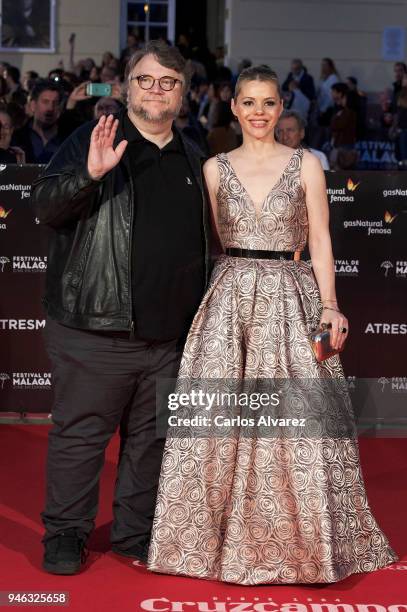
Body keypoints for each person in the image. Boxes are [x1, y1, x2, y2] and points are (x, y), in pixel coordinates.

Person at [147, 65, 397, 584]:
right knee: (218, 422)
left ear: (281, 108)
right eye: (248, 102)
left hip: (292, 295)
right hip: (230, 298)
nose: (258, 112)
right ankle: (203, 544)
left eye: (268, 102)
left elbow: (322, 240)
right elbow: (213, 239)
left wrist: (330, 304)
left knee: (298, 421)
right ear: (234, 108)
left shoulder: (306, 164)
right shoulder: (215, 168)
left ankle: (303, 545)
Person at [30, 39, 211, 576]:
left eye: (169, 82)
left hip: (170, 336)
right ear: (127, 85)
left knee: (151, 444)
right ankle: (65, 533)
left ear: (183, 94)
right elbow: (45, 207)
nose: (156, 90)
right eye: (146, 80)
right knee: (81, 438)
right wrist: (90, 174)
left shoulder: (195, 156)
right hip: (95, 331)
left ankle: (135, 534)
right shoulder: (94, 137)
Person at [11, 79, 64, 163]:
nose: (50, 108)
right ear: (33, 105)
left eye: (55, 103)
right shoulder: (16, 138)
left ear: (60, 108)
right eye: (45, 102)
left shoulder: (69, 139)